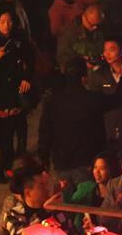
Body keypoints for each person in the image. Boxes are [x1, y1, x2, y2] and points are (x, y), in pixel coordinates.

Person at [0, 7, 34, 183]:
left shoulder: (20, 38)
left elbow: (30, 60)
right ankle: (6, 162)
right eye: (2, 22)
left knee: (15, 127)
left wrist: (27, 78)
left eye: (9, 21)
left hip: (15, 90)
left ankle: (7, 166)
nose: (6, 25)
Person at [37, 59, 107, 187]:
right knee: (85, 201)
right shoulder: (91, 99)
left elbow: (45, 131)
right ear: (84, 78)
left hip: (61, 162)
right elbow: (99, 131)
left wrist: (44, 159)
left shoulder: (52, 101)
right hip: (85, 161)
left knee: (66, 200)